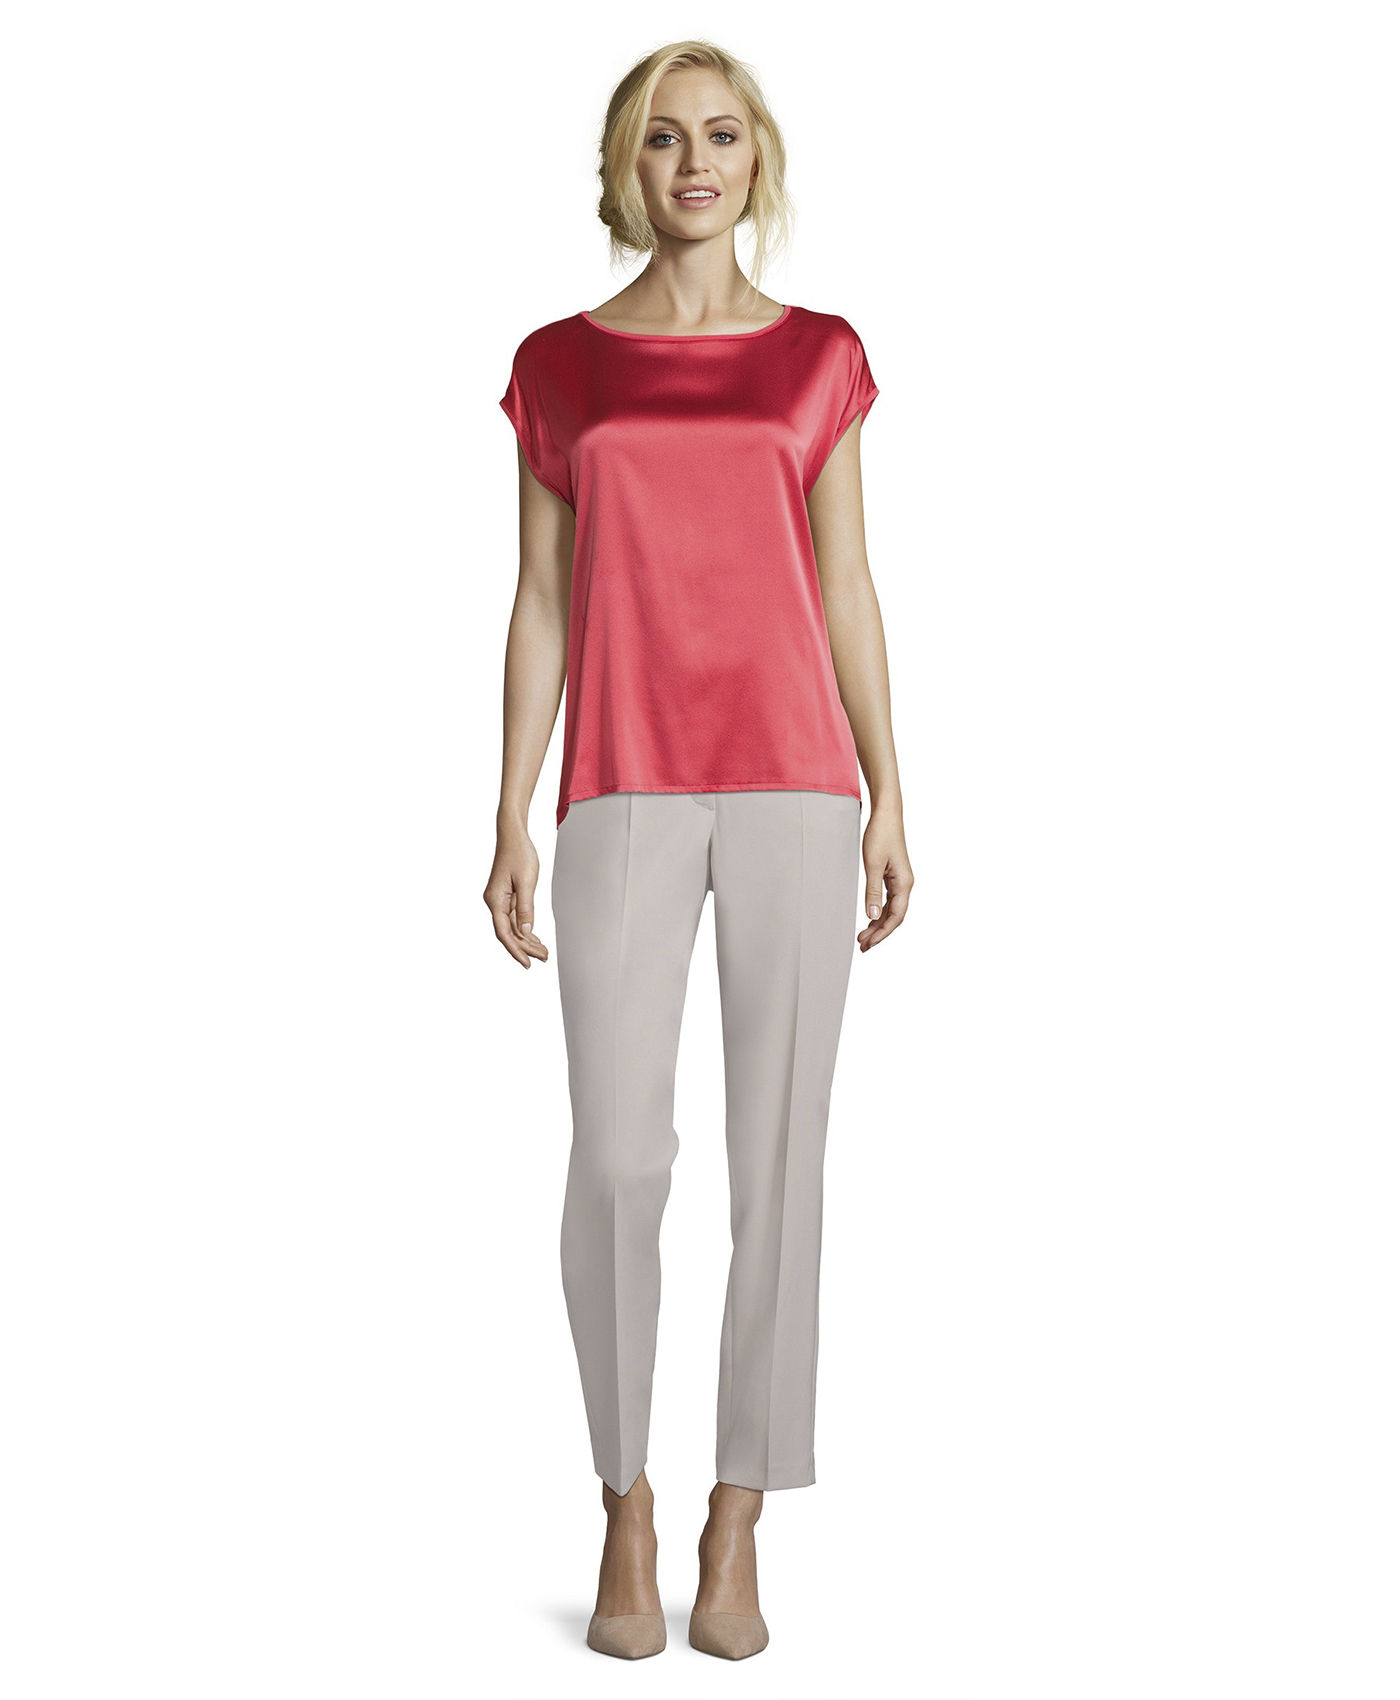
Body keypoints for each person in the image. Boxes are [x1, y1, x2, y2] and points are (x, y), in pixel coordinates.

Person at [485, 38, 913, 1662]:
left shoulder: (819, 359)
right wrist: (510, 805)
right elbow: (539, 599)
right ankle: (625, 1497)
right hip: (622, 779)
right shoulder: (559, 367)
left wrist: (892, 789)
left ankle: (739, 1511)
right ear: (625, 166)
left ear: (759, 158)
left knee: (780, 1159)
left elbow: (848, 582)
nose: (694, 163)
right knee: (618, 1156)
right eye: (663, 139)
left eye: (722, 135)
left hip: (799, 781)